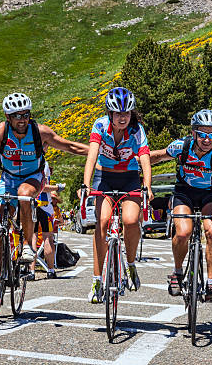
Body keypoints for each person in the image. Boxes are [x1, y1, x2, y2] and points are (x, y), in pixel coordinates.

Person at [0, 93, 89, 299]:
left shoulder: (39, 132)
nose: (22, 119)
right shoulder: (0, 131)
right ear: (8, 116)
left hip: (33, 178)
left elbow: (70, 146)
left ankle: (29, 247)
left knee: (24, 194)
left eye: (26, 114)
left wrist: (99, 150)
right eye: (17, 115)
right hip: (8, 179)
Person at [150, 109, 212, 302]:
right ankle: (177, 272)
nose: (207, 140)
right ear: (194, 133)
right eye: (202, 135)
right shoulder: (182, 146)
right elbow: (157, 156)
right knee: (182, 232)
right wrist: (133, 161)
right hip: (184, 192)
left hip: (210, 195)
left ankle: (211, 282)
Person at [83, 87, 153, 304]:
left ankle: (130, 265)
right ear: (110, 114)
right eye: (117, 113)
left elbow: (144, 158)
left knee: (131, 221)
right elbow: (92, 154)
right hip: (104, 177)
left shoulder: (137, 130)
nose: (122, 118)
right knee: (102, 222)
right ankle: (96, 280)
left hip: (129, 177)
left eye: (126, 113)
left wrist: (147, 186)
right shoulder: (100, 125)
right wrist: (85, 185)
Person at [28, 162, 64, 280]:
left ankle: (31, 271)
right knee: (48, 237)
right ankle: (50, 270)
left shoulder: (29, 160)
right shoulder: (44, 163)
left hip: (31, 203)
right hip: (45, 205)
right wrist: (57, 187)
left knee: (32, 238)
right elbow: (43, 187)